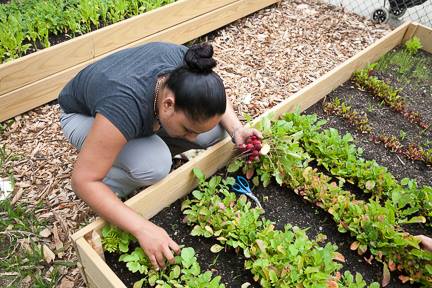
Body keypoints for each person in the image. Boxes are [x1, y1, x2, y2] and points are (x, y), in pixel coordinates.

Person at [58, 42, 261, 270]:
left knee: (213, 132)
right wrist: (142, 228)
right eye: (187, 130)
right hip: (80, 116)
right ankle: (111, 183)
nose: (191, 139)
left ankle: (145, 141)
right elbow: (82, 181)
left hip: (133, 108)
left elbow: (215, 94)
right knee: (155, 164)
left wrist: (237, 130)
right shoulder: (124, 105)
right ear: (167, 105)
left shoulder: (192, 67)